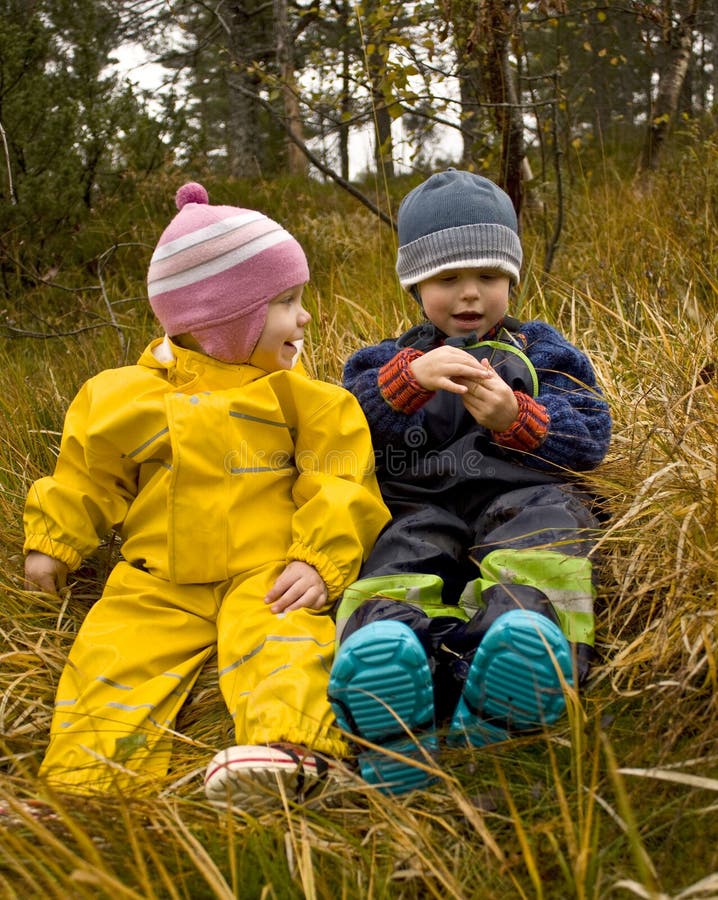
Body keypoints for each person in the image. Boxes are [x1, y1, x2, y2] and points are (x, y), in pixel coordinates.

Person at [23, 182, 390, 811]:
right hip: (156, 579)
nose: (305, 317)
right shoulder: (122, 397)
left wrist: (317, 559)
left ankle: (293, 751)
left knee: (284, 638)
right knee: (113, 657)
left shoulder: (306, 400)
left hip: (265, 569)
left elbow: (339, 480)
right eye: (286, 302)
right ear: (221, 320)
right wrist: (54, 543)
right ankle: (85, 791)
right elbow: (87, 475)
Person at [328, 169, 612, 794]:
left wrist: (521, 418)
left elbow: (592, 435)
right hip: (417, 502)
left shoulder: (542, 352)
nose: (470, 295)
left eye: (488, 276)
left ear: (511, 279)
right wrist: (404, 385)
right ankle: (390, 664)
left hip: (520, 493)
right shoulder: (385, 360)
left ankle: (524, 650)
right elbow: (340, 429)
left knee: (548, 530)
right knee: (400, 552)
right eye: (448, 279)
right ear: (416, 285)